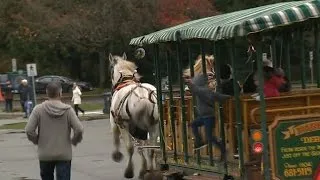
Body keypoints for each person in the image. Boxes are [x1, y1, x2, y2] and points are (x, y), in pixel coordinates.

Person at [25, 82, 84, 180]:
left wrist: (37, 141)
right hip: (64, 153)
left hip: (45, 153)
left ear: (46, 93)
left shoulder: (38, 110)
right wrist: (74, 140)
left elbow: (29, 130)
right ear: (60, 93)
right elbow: (79, 129)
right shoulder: (68, 110)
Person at [184, 74, 230, 161]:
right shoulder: (207, 91)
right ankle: (199, 140)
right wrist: (229, 97)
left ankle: (223, 150)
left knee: (210, 137)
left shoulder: (203, 91)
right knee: (194, 124)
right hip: (204, 116)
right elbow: (218, 96)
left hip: (208, 117)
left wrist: (188, 83)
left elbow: (195, 89)